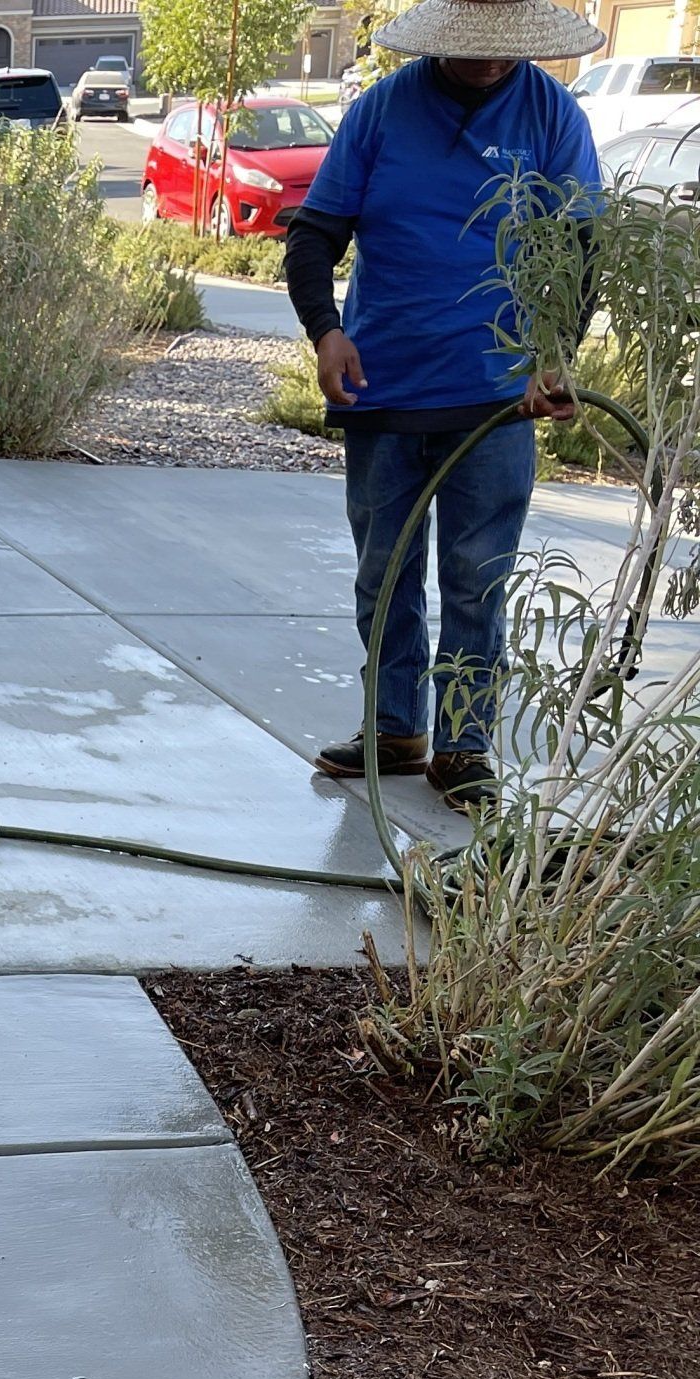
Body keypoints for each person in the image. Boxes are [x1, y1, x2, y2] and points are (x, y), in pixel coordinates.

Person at [283, 0, 603, 808]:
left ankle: (463, 746)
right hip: (384, 384)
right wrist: (326, 331)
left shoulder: (551, 113)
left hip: (498, 398)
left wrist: (555, 357)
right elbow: (314, 235)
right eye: (474, 49)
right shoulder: (381, 110)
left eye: (505, 50)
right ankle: (394, 727)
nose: (491, 62)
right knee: (383, 572)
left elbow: (581, 248)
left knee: (476, 575)